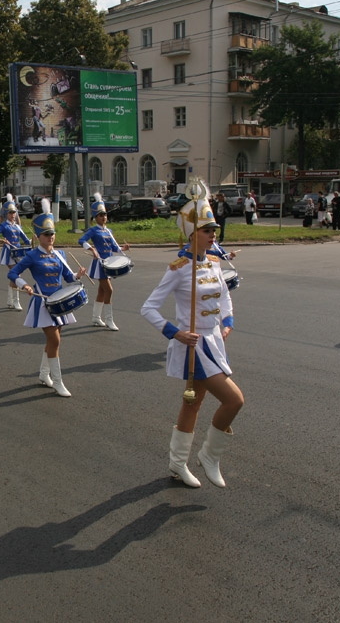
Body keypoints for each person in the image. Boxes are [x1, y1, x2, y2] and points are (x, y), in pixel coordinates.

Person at [141, 191, 244, 488]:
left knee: (193, 404)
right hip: (195, 346)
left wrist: (228, 321)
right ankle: (210, 455)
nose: (213, 235)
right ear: (191, 233)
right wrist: (175, 332)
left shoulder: (213, 263)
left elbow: (225, 297)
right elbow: (147, 307)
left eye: (215, 230)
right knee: (234, 400)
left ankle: (177, 464)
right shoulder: (178, 269)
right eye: (207, 230)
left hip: (215, 341)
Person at [8, 198, 87, 397]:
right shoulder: (32, 255)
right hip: (43, 301)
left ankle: (44, 374)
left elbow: (68, 277)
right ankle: (58, 381)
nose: (50, 237)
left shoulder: (60, 254)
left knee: (53, 342)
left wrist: (78, 275)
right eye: (46, 234)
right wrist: (24, 285)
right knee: (55, 341)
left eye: (52, 233)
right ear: (38, 236)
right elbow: (12, 273)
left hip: (59, 302)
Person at [78, 193, 130, 331]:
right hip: (100, 264)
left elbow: (114, 247)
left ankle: (96, 317)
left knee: (102, 291)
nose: (104, 217)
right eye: (101, 215)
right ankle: (109, 320)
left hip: (109, 264)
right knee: (109, 290)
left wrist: (123, 249)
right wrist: (92, 249)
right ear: (95, 217)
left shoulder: (109, 231)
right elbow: (81, 240)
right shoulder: (93, 230)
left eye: (105, 215)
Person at [0, 193, 31, 311]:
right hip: (8, 252)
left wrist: (34, 240)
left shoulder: (18, 227)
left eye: (14, 212)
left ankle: (9, 300)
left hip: (18, 252)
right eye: (10, 213)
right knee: (16, 275)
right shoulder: (3, 226)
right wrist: (0, 240)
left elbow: (26, 240)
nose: (13, 215)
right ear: (6, 214)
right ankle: (16, 301)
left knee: (14, 277)